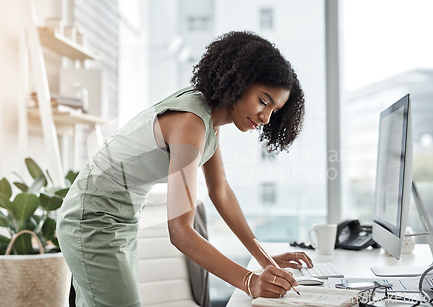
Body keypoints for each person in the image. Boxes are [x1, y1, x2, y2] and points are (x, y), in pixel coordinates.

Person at [57, 31, 312, 307]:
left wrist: (266, 260)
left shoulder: (209, 120)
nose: (265, 118)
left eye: (274, 110)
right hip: (92, 220)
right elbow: (180, 231)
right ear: (239, 80)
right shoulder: (191, 122)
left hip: (118, 221)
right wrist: (251, 282)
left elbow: (221, 192)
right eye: (263, 101)